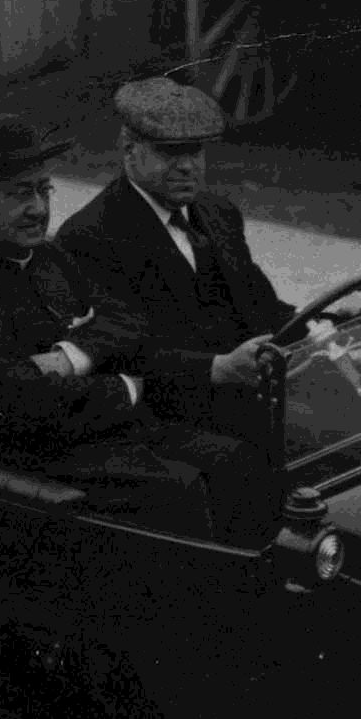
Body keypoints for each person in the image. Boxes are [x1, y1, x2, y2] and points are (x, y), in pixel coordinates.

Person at [0, 116, 271, 542]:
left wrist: (69, 357)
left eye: (44, 190)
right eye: (21, 194)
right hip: (29, 461)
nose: (39, 209)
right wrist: (125, 387)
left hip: (97, 433)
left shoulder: (47, 257)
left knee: (237, 461)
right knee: (178, 490)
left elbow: (128, 323)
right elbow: (16, 403)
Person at [54, 76, 296, 446]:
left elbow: (261, 303)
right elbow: (117, 351)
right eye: (170, 152)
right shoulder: (91, 234)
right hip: (172, 414)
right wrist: (216, 368)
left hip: (254, 392)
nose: (187, 166)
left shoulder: (218, 213)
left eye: (195, 151)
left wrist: (323, 324)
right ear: (129, 150)